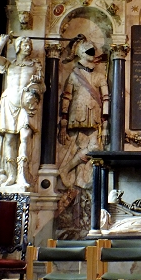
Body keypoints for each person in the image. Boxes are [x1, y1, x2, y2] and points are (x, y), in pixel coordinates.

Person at [0, 34, 45, 189]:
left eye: (29, 45)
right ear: (18, 47)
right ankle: (11, 174)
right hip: (9, 102)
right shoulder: (9, 64)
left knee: (25, 136)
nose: (28, 47)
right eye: (25, 44)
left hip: (26, 105)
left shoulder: (35, 65)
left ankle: (22, 175)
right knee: (9, 139)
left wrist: (38, 83)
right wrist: (3, 40)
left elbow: (43, 88)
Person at [58, 38, 109, 189]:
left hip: (94, 115)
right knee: (81, 146)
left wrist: (105, 125)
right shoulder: (74, 75)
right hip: (78, 114)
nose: (92, 53)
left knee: (93, 148)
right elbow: (67, 98)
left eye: (93, 50)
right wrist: (63, 122)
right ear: (80, 53)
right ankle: (71, 173)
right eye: (88, 50)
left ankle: (69, 172)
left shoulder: (100, 76)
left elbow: (106, 99)